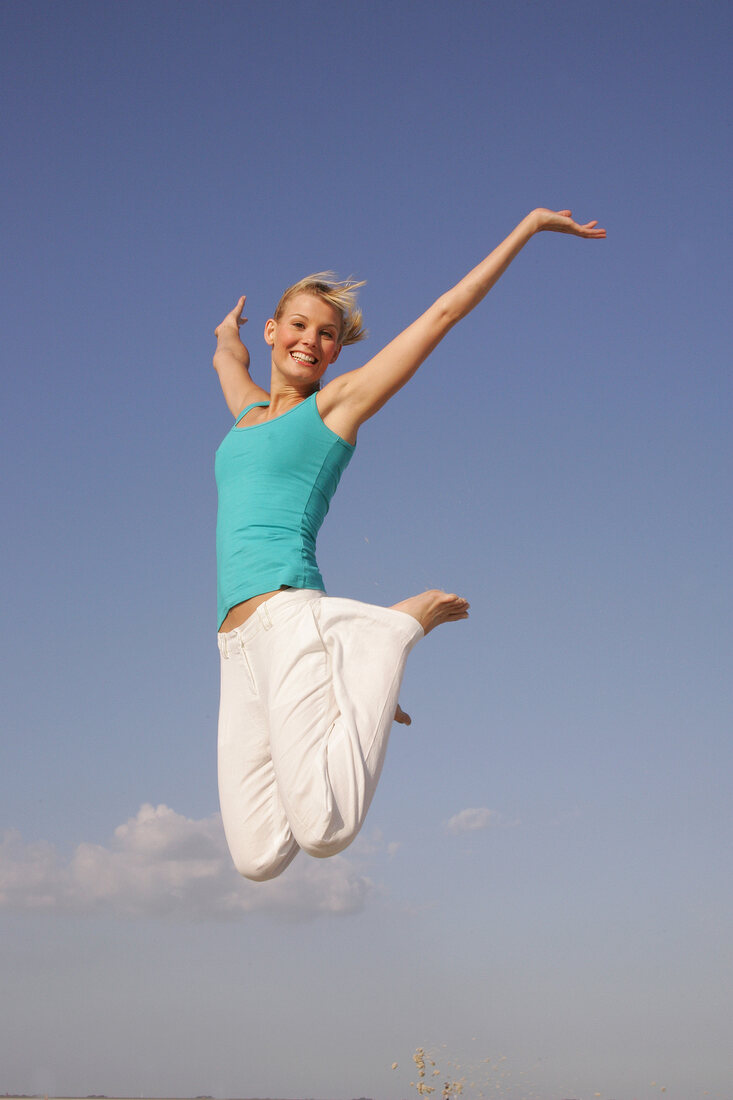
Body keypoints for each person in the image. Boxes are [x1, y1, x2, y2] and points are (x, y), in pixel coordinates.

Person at [214, 207, 605, 881]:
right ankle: (350, 665)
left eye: (327, 335)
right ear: (274, 331)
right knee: (257, 859)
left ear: (339, 352)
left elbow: (443, 315)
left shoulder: (335, 407)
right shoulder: (247, 411)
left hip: (288, 612)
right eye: (299, 326)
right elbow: (227, 357)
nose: (310, 340)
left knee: (326, 831)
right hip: (234, 643)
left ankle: (389, 633)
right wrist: (228, 333)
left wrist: (528, 228)